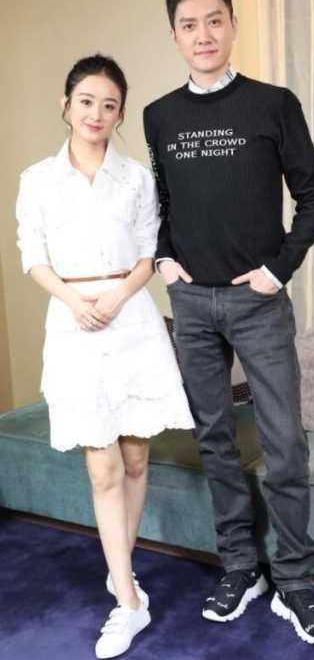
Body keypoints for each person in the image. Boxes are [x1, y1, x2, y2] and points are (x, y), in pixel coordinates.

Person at [143, 0, 314, 646]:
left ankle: (294, 580)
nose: (203, 35)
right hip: (192, 306)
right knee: (215, 440)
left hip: (258, 304)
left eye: (214, 21)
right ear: (175, 35)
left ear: (232, 24)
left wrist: (278, 269)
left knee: (284, 443)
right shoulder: (159, 116)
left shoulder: (273, 104)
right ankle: (239, 566)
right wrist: (164, 259)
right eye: (188, 25)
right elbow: (160, 203)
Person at [16, 54, 195, 659]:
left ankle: (123, 573)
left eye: (110, 105)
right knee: (103, 467)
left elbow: (149, 252)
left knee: (137, 458)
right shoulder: (38, 179)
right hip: (74, 324)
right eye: (87, 101)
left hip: (132, 318)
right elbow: (33, 255)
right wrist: (75, 301)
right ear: (66, 105)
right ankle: (129, 601)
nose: (97, 113)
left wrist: (117, 297)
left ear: (120, 115)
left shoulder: (137, 179)